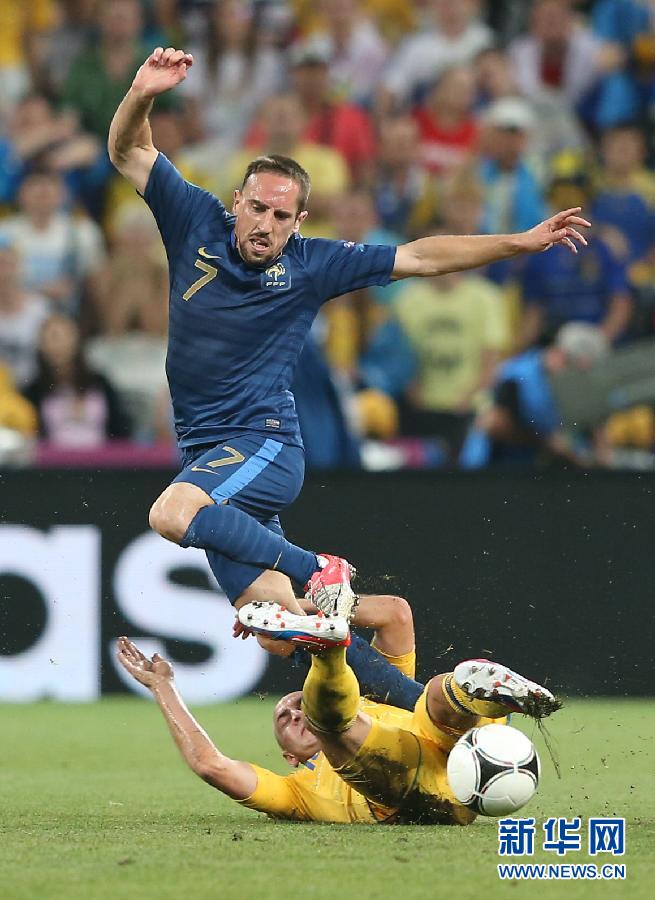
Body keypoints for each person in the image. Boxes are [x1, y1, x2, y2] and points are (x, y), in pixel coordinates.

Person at [107, 46, 590, 623]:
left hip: (261, 442)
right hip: (204, 449)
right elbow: (129, 150)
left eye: (281, 217)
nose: (265, 225)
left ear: (299, 222)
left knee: (170, 514)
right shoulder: (195, 219)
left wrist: (518, 241)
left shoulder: (312, 263)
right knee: (279, 624)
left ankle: (318, 568)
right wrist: (141, 94)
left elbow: (420, 256)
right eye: (257, 209)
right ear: (238, 202)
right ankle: (395, 637)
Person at [116, 601, 559, 825]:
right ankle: (326, 648)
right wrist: (164, 687)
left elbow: (395, 614)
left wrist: (301, 606)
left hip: (469, 743)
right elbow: (210, 765)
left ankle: (477, 689)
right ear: (290, 757)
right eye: (286, 720)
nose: (294, 714)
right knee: (335, 723)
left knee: (436, 697)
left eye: (293, 705)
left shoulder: (371, 701)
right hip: (420, 791)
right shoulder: (296, 793)